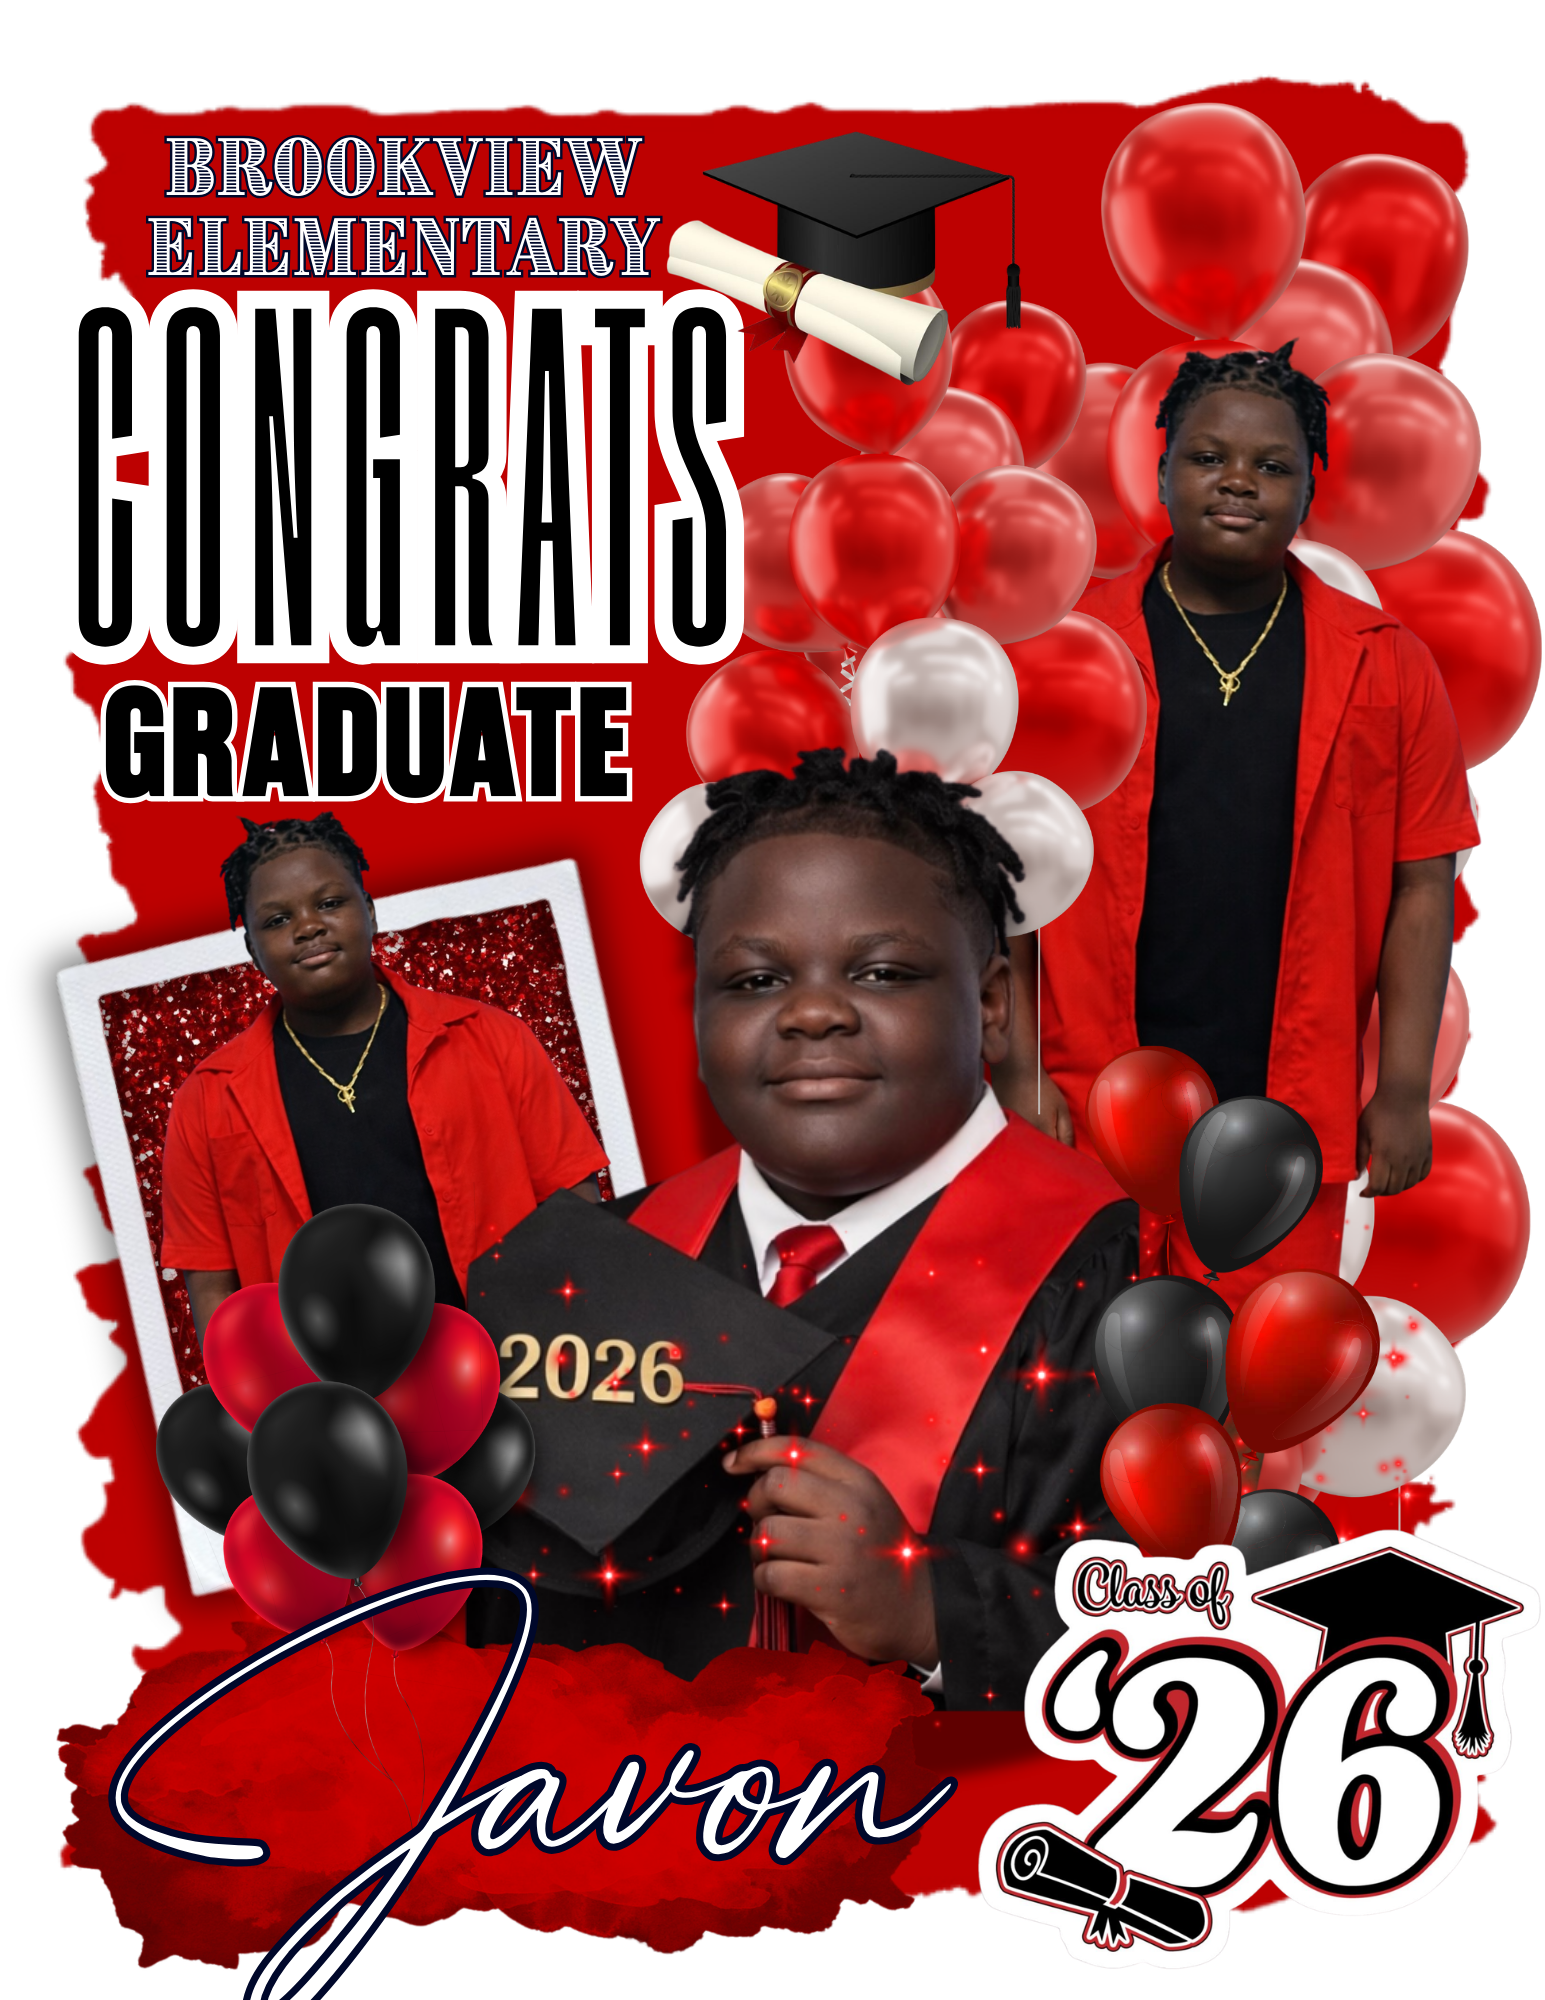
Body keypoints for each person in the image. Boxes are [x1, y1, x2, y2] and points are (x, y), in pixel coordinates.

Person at [471, 751, 1137, 1710]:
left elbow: (1184, 1621)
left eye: (881, 972)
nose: (812, 1012)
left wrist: (930, 1609)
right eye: (751, 981)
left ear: (990, 1005)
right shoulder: (601, 1263)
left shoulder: (1109, 1282)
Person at [992, 345, 1477, 1303]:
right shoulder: (1071, 649)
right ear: (1162, 467)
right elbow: (1008, 872)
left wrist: (1404, 1090)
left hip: (1285, 1101)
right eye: (1210, 457)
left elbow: (1421, 884)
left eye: (1273, 466)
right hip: (1089, 1091)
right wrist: (1013, 1072)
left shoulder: (1386, 664)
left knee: (1250, 1391)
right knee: (1070, 1384)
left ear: (1310, 485)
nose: (1238, 484)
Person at [161, 814, 607, 1340]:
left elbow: (576, 1207)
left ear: (370, 912)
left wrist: (582, 1357)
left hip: (515, 1362)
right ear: (251, 950)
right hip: (331, 1398)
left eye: (329, 903)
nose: (308, 926)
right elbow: (212, 1286)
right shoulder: (208, 1097)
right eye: (277, 920)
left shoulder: (491, 1038)